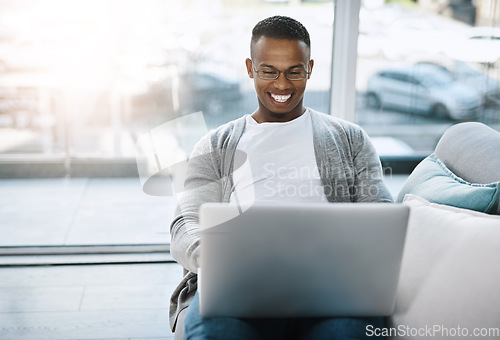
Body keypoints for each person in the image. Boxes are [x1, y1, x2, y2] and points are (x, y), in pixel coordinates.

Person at [169, 15, 393, 340]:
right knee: (217, 332)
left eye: (294, 71)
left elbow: (381, 216)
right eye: (269, 71)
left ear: (310, 68)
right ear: (250, 68)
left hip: (331, 285)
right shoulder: (217, 144)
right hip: (240, 284)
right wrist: (217, 260)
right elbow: (185, 223)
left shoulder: (351, 138)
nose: (282, 85)